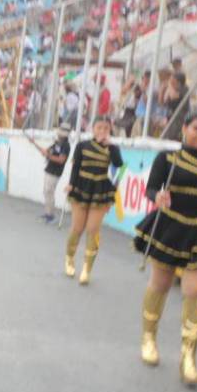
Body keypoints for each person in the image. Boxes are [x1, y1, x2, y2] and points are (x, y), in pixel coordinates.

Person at [133, 111, 197, 386]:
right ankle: (148, 339)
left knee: (195, 291)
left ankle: (189, 356)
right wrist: (158, 196)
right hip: (170, 227)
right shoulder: (167, 158)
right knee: (160, 285)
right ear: (185, 129)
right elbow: (151, 188)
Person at [64, 117, 123, 284]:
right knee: (77, 227)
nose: (102, 131)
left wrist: (110, 146)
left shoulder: (112, 148)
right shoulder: (82, 146)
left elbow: (118, 164)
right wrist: (71, 184)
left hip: (100, 190)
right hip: (81, 187)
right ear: (93, 128)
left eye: (106, 128)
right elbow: (76, 167)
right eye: (99, 127)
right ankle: (69, 258)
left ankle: (86, 269)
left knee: (93, 229)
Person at [32, 124, 71, 223]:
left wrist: (48, 155)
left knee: (49, 191)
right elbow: (46, 151)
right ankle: (47, 213)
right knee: (46, 192)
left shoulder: (66, 145)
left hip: (55, 172)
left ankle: (51, 215)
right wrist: (34, 143)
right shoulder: (57, 143)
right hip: (49, 170)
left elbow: (61, 160)